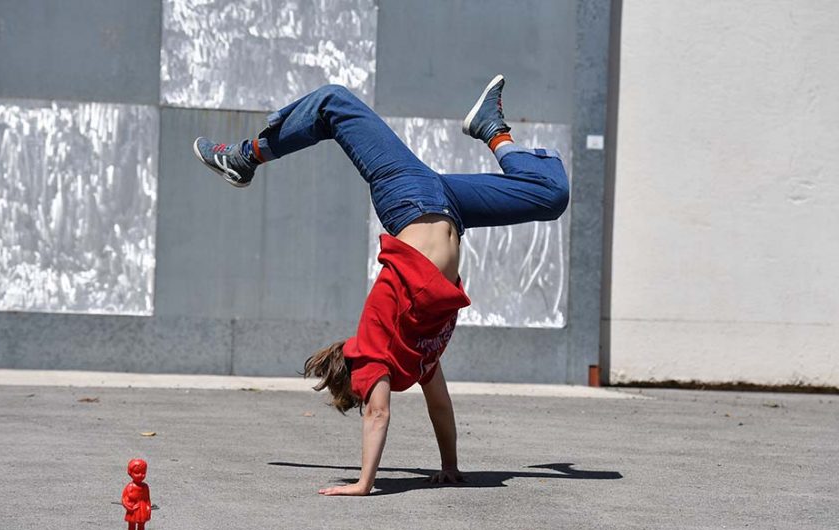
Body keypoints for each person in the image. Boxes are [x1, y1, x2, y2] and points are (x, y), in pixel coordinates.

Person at [192, 75, 569, 496]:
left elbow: (377, 415)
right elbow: (440, 408)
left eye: (367, 389)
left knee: (333, 102)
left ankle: (245, 156)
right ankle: (491, 129)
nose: (376, 392)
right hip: (451, 206)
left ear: (358, 376)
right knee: (551, 194)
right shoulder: (418, 360)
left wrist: (364, 483)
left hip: (409, 199)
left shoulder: (373, 351)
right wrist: (450, 466)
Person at [121, 458, 151, 530]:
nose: (141, 475)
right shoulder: (130, 486)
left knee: (142, 524)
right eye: (137, 473)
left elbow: (147, 498)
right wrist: (129, 507)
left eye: (143, 472)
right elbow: (124, 499)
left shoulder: (145, 486)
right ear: (130, 473)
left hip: (142, 508)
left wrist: (148, 508)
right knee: (132, 524)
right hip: (133, 508)